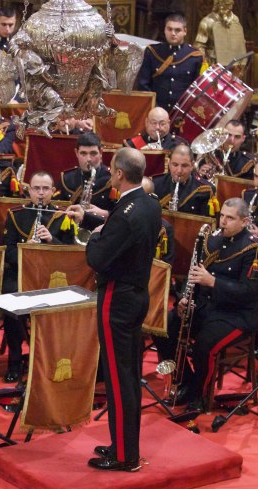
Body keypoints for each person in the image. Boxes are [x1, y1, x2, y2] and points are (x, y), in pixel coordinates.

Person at [86, 147, 161, 472]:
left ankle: (123, 455)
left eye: (111, 168)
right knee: (128, 374)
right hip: (138, 294)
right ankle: (124, 445)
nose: (109, 172)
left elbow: (98, 258)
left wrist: (94, 237)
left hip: (116, 298)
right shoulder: (149, 203)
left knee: (118, 378)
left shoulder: (126, 213)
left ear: (119, 174)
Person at [154, 199, 258, 411]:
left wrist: (213, 282)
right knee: (162, 326)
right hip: (207, 307)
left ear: (244, 221)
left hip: (236, 315)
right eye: (222, 216)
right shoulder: (211, 241)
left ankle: (200, 395)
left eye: (230, 218)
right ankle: (186, 382)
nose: (223, 221)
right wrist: (185, 298)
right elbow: (194, 274)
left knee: (203, 346)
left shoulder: (255, 249)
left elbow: (250, 292)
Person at [0, 171, 76, 381]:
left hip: (52, 277)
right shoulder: (15, 215)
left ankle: (48, 360)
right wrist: (26, 251)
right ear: (29, 190)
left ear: (53, 191)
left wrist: (51, 241)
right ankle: (14, 361)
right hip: (21, 273)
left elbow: (70, 256)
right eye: (36, 188)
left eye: (45, 189)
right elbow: (7, 252)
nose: (41, 193)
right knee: (10, 300)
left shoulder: (63, 218)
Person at [135, 14, 203, 112]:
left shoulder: (194, 56)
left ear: (185, 31)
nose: (173, 33)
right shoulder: (152, 52)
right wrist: (155, 108)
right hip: (155, 111)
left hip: (182, 112)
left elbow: (197, 90)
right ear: (164, 30)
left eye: (177, 30)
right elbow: (143, 84)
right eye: (169, 29)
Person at [58, 132, 114, 218]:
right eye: (83, 153)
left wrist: (104, 213)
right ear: (76, 153)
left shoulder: (111, 179)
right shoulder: (66, 179)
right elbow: (57, 209)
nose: (88, 159)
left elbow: (122, 214)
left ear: (101, 152)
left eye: (93, 153)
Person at [152, 143, 216, 216]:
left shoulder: (205, 190)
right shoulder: (156, 184)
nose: (179, 170)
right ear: (169, 164)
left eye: (184, 166)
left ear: (192, 165)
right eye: (175, 165)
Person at [194, 0, 247, 76]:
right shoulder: (207, 22)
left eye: (230, 4)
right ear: (218, 4)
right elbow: (199, 45)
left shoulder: (235, 20)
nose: (229, 8)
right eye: (225, 4)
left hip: (233, 64)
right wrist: (204, 62)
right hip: (213, 63)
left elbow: (240, 42)